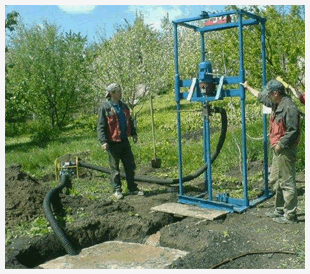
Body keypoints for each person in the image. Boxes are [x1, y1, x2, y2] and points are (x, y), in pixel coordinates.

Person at [243, 79, 300, 224]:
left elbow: (294, 131)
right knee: (275, 179)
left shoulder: (289, 107)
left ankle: (290, 215)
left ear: (276, 93)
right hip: (278, 149)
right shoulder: (276, 102)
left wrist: (280, 144)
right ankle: (279, 209)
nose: (267, 96)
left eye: (269, 93)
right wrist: (248, 87)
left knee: (286, 181)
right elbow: (261, 97)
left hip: (285, 150)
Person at [97, 83, 144, 200]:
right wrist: (103, 141)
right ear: (112, 94)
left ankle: (132, 188)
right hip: (112, 143)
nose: (120, 93)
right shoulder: (105, 108)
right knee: (115, 169)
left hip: (124, 141)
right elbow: (101, 126)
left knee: (129, 165)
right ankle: (117, 190)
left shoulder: (124, 106)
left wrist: (133, 133)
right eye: (118, 91)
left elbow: (129, 120)